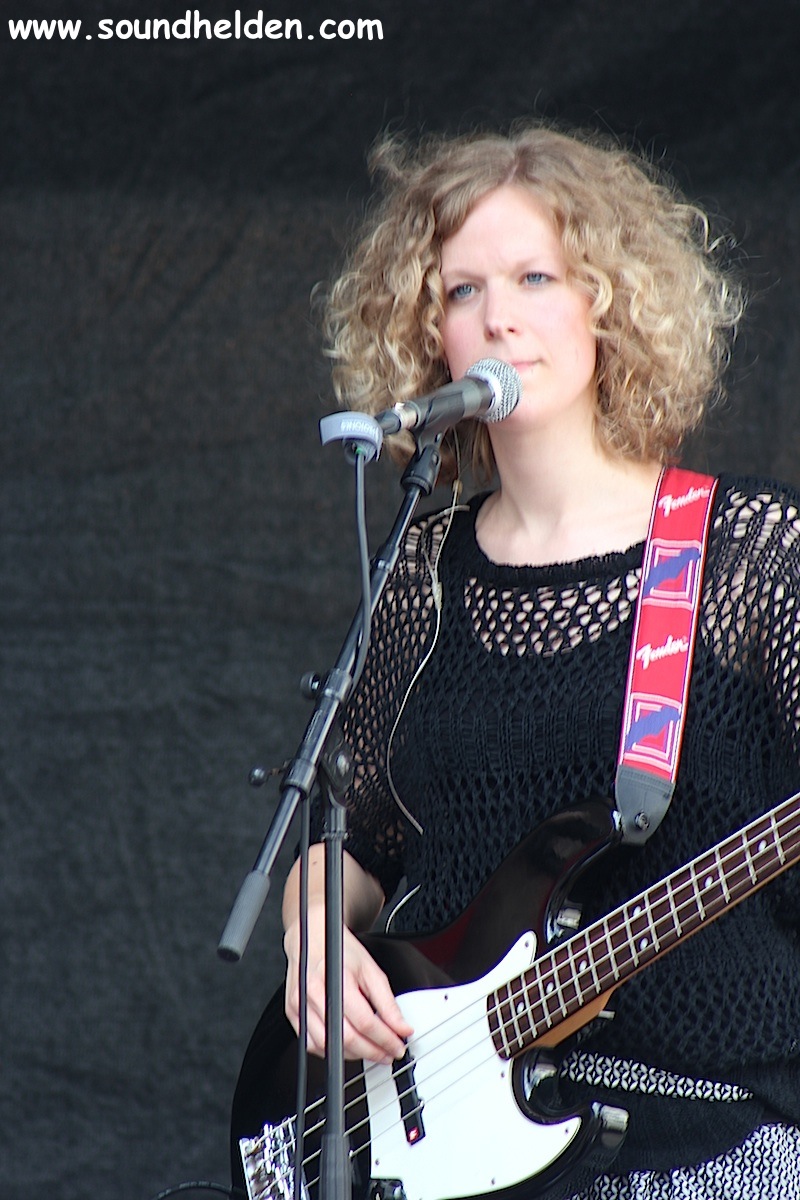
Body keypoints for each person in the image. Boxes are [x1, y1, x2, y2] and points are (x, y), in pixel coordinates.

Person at [238, 123, 800, 1199]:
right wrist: (311, 930)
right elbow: (357, 838)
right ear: (430, 336)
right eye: (462, 291)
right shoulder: (421, 572)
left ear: (608, 303)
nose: (497, 315)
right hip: (455, 1145)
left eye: (535, 277)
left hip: (701, 1142)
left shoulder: (751, 556)